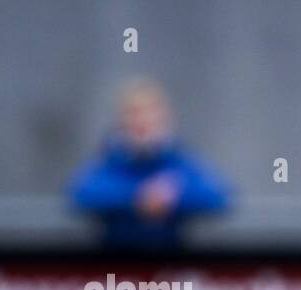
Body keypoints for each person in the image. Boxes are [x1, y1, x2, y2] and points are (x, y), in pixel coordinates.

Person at [68, 78, 229, 249]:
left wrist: (172, 196)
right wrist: (135, 197)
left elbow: (217, 195)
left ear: (163, 117)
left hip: (168, 264)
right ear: (122, 119)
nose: (142, 120)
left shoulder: (177, 158)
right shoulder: (111, 158)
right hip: (117, 262)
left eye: (149, 112)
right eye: (135, 113)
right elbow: (80, 193)